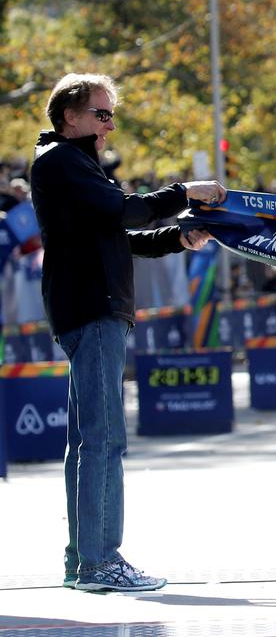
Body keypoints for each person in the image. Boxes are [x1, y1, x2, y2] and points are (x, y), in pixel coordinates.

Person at [30, 74, 226, 592]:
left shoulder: (74, 164)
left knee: (90, 442)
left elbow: (117, 235)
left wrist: (178, 238)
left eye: (110, 114)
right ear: (69, 116)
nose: (109, 123)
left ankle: (84, 561)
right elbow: (123, 212)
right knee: (104, 441)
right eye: (100, 113)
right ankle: (100, 562)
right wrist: (184, 192)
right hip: (92, 310)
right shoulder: (63, 162)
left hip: (90, 307)